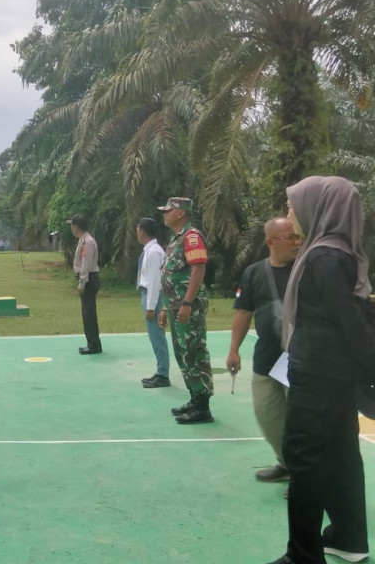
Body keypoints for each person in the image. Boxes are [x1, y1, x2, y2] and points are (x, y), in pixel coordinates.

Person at [268, 177, 375, 564]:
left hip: (318, 375)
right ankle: (348, 537)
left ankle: (302, 554)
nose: (289, 213)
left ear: (319, 207)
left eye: (292, 206)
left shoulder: (323, 257)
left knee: (303, 457)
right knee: (341, 453)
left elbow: (348, 322)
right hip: (334, 374)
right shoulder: (338, 252)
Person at [226, 218, 298, 483]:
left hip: (299, 357)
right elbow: (243, 311)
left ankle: (305, 476)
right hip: (267, 358)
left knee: (301, 420)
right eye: (288, 237)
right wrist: (234, 350)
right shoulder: (254, 272)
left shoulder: (305, 270)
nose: (295, 242)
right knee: (267, 414)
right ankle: (286, 462)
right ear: (270, 242)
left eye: (296, 236)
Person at [157, 197, 214, 424]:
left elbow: (198, 269)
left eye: (168, 210)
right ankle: (194, 397)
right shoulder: (176, 239)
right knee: (183, 353)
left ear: (180, 213)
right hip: (175, 306)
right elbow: (170, 277)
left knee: (194, 352)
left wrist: (187, 303)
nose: (164, 214)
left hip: (188, 308)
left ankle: (203, 407)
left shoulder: (191, 237)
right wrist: (164, 307)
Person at [136, 218, 170, 388]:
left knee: (157, 336)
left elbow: (155, 282)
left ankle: (163, 374)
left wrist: (150, 307)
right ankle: (160, 371)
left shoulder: (154, 252)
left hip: (153, 298)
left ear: (142, 231)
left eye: (137, 229)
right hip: (148, 295)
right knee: (154, 336)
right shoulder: (150, 251)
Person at [70, 214, 101, 355]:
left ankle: (94, 344)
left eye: (72, 225)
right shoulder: (83, 241)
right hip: (87, 278)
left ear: (76, 227)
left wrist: (82, 282)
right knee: (86, 312)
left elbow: (86, 264)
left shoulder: (87, 242)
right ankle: (91, 342)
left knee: (89, 313)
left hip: (89, 279)